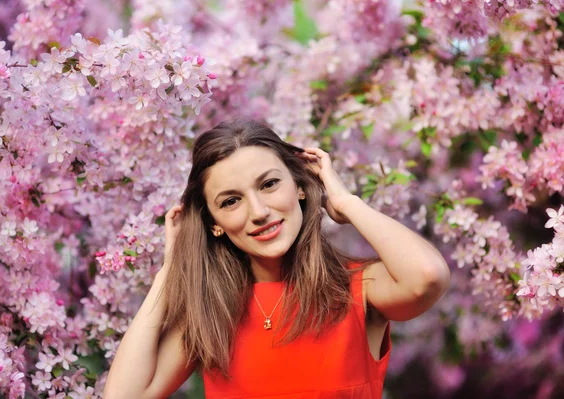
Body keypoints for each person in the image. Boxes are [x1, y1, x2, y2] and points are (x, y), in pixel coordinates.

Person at [103, 119, 450, 399]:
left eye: (269, 184)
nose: (259, 212)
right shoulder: (211, 313)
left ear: (300, 186)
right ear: (215, 224)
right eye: (230, 201)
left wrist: (347, 204)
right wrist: (170, 270)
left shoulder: (359, 288)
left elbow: (427, 275)